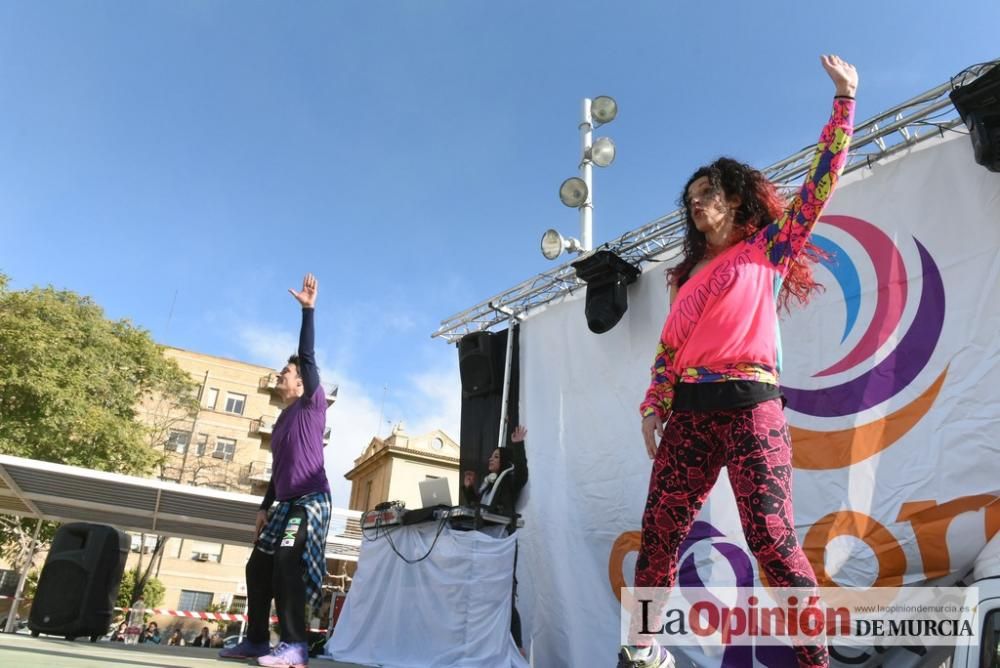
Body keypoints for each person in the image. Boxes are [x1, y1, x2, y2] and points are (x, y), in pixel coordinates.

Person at [618, 55, 858, 668]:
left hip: (754, 408)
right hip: (691, 414)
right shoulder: (684, 276)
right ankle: (642, 652)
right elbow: (669, 353)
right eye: (692, 199)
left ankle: (815, 660)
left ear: (734, 198)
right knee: (660, 535)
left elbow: (820, 186)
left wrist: (844, 102)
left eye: (709, 194)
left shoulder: (767, 248)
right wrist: (653, 405)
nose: (699, 205)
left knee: (773, 542)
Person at [220, 273, 333, 668]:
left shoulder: (312, 404)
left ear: (302, 383)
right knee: (258, 565)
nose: (280, 375)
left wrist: (308, 310)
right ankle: (255, 641)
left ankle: (295, 647)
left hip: (310, 502)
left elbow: (308, 356)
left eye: (286, 373)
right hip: (284, 503)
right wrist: (263, 506)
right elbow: (278, 470)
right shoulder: (283, 420)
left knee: (287, 559)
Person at [462, 424, 529, 656]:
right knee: (486, 595)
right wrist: (470, 490)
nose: (490, 459)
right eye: (490, 456)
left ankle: (518, 648)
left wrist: (518, 446)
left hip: (502, 542)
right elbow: (478, 510)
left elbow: (522, 473)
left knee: (505, 596)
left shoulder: (509, 479)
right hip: (486, 543)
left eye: (496, 456)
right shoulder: (488, 483)